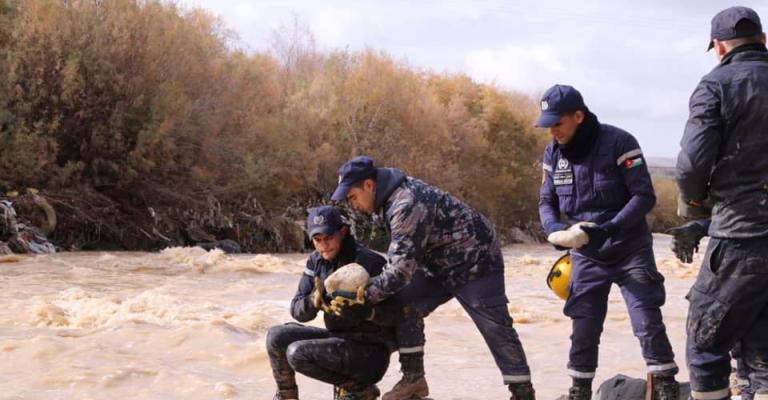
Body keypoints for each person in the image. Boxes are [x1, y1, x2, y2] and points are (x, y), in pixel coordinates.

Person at [330, 155, 536, 400]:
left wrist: (363, 298)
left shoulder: (406, 203)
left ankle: (523, 393)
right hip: (437, 261)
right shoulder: (385, 200)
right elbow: (400, 263)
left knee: (495, 326)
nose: (352, 204)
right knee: (403, 303)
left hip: (476, 258)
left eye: (352, 197)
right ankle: (413, 378)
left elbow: (400, 271)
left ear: (369, 185)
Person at [537, 84, 679, 399]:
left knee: (646, 321)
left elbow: (644, 196)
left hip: (630, 249)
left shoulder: (619, 142)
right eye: (547, 125)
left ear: (578, 116)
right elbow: (546, 200)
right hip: (586, 254)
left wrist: (609, 228)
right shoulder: (553, 153)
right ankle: (579, 390)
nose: (552, 132)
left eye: (557, 123)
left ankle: (666, 386)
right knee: (583, 328)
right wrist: (553, 229)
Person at [675, 5, 768, 398]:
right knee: (762, 350)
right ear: (762, 40)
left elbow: (692, 165)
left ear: (718, 47)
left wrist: (696, 205)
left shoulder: (716, 85)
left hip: (741, 239)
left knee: (705, 346)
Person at [266, 205, 397, 400]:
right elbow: (297, 310)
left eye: (328, 238)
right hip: (337, 340)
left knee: (297, 353)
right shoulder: (315, 261)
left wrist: (365, 311)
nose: (324, 245)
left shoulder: (370, 262)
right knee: (276, 336)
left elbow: (399, 314)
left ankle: (360, 389)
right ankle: (287, 396)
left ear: (342, 232)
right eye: (317, 240)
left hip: (370, 350)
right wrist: (314, 301)